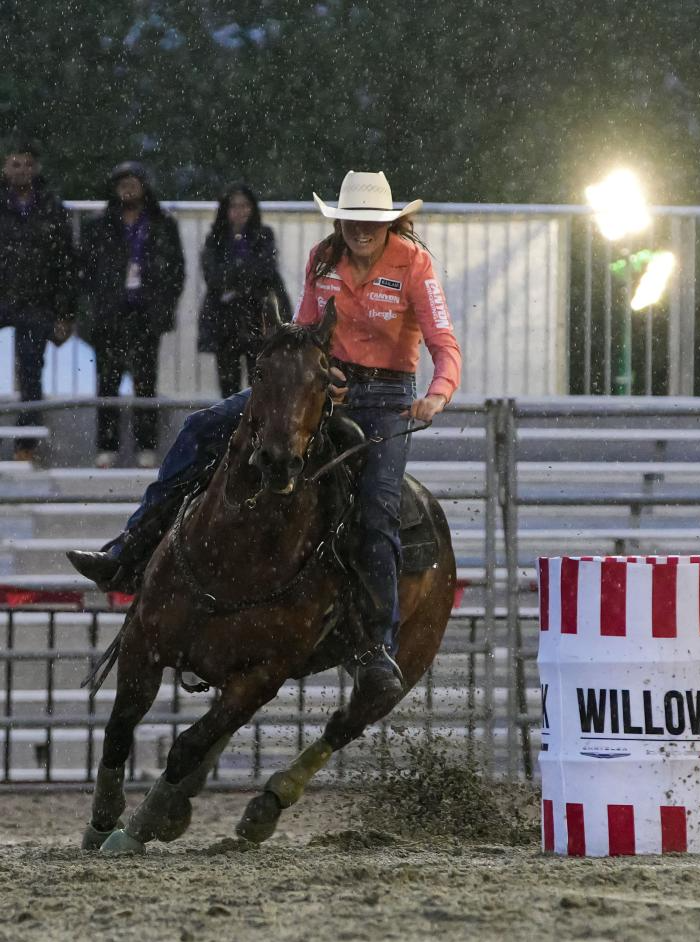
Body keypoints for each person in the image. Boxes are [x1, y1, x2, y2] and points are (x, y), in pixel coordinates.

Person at [68, 170, 461, 695]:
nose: (361, 229)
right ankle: (130, 549)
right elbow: (302, 330)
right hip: (320, 385)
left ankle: (377, 646)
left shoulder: (414, 264)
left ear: (389, 223)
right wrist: (314, 370)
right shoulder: (323, 260)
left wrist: (437, 394)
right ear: (340, 221)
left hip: (386, 399)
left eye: (371, 221)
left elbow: (443, 342)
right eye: (352, 219)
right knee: (202, 429)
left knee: (376, 507)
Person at [81, 161, 185, 468]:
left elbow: (176, 270)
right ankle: (106, 446)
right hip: (111, 312)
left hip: (145, 312)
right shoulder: (100, 225)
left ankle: (146, 445)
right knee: (108, 380)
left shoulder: (161, 224)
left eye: (133, 183)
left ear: (144, 187)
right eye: (122, 184)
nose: (128, 190)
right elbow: (85, 270)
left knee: (145, 380)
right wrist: (95, 307)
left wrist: (163, 305)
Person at [0, 138, 77, 461]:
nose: (22, 171)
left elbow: (66, 263)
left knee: (31, 372)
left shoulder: (51, 208)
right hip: (4, 295)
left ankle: (26, 446)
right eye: (15, 164)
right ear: (5, 167)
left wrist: (65, 312)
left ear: (37, 168)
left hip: (37, 300)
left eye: (28, 164)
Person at [198, 183, 292, 397]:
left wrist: (234, 277)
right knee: (227, 386)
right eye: (234, 206)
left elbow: (264, 270)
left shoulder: (264, 235)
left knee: (258, 385)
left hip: (256, 318)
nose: (239, 211)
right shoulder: (216, 238)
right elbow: (213, 276)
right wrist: (243, 273)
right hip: (225, 322)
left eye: (245, 205)